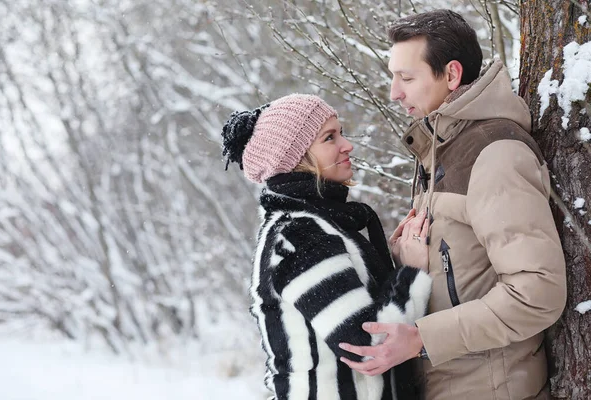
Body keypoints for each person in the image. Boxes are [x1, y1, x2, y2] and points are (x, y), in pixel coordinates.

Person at [338, 9, 567, 400]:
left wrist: (421, 339)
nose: (394, 92)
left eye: (406, 78)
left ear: (452, 75)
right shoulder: (439, 148)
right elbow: (461, 270)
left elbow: (538, 292)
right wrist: (409, 265)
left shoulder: (495, 154)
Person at [220, 93, 432, 400]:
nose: (347, 146)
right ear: (296, 158)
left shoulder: (319, 225)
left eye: (341, 133)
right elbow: (368, 348)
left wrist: (397, 264)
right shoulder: (298, 235)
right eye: (329, 138)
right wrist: (412, 272)